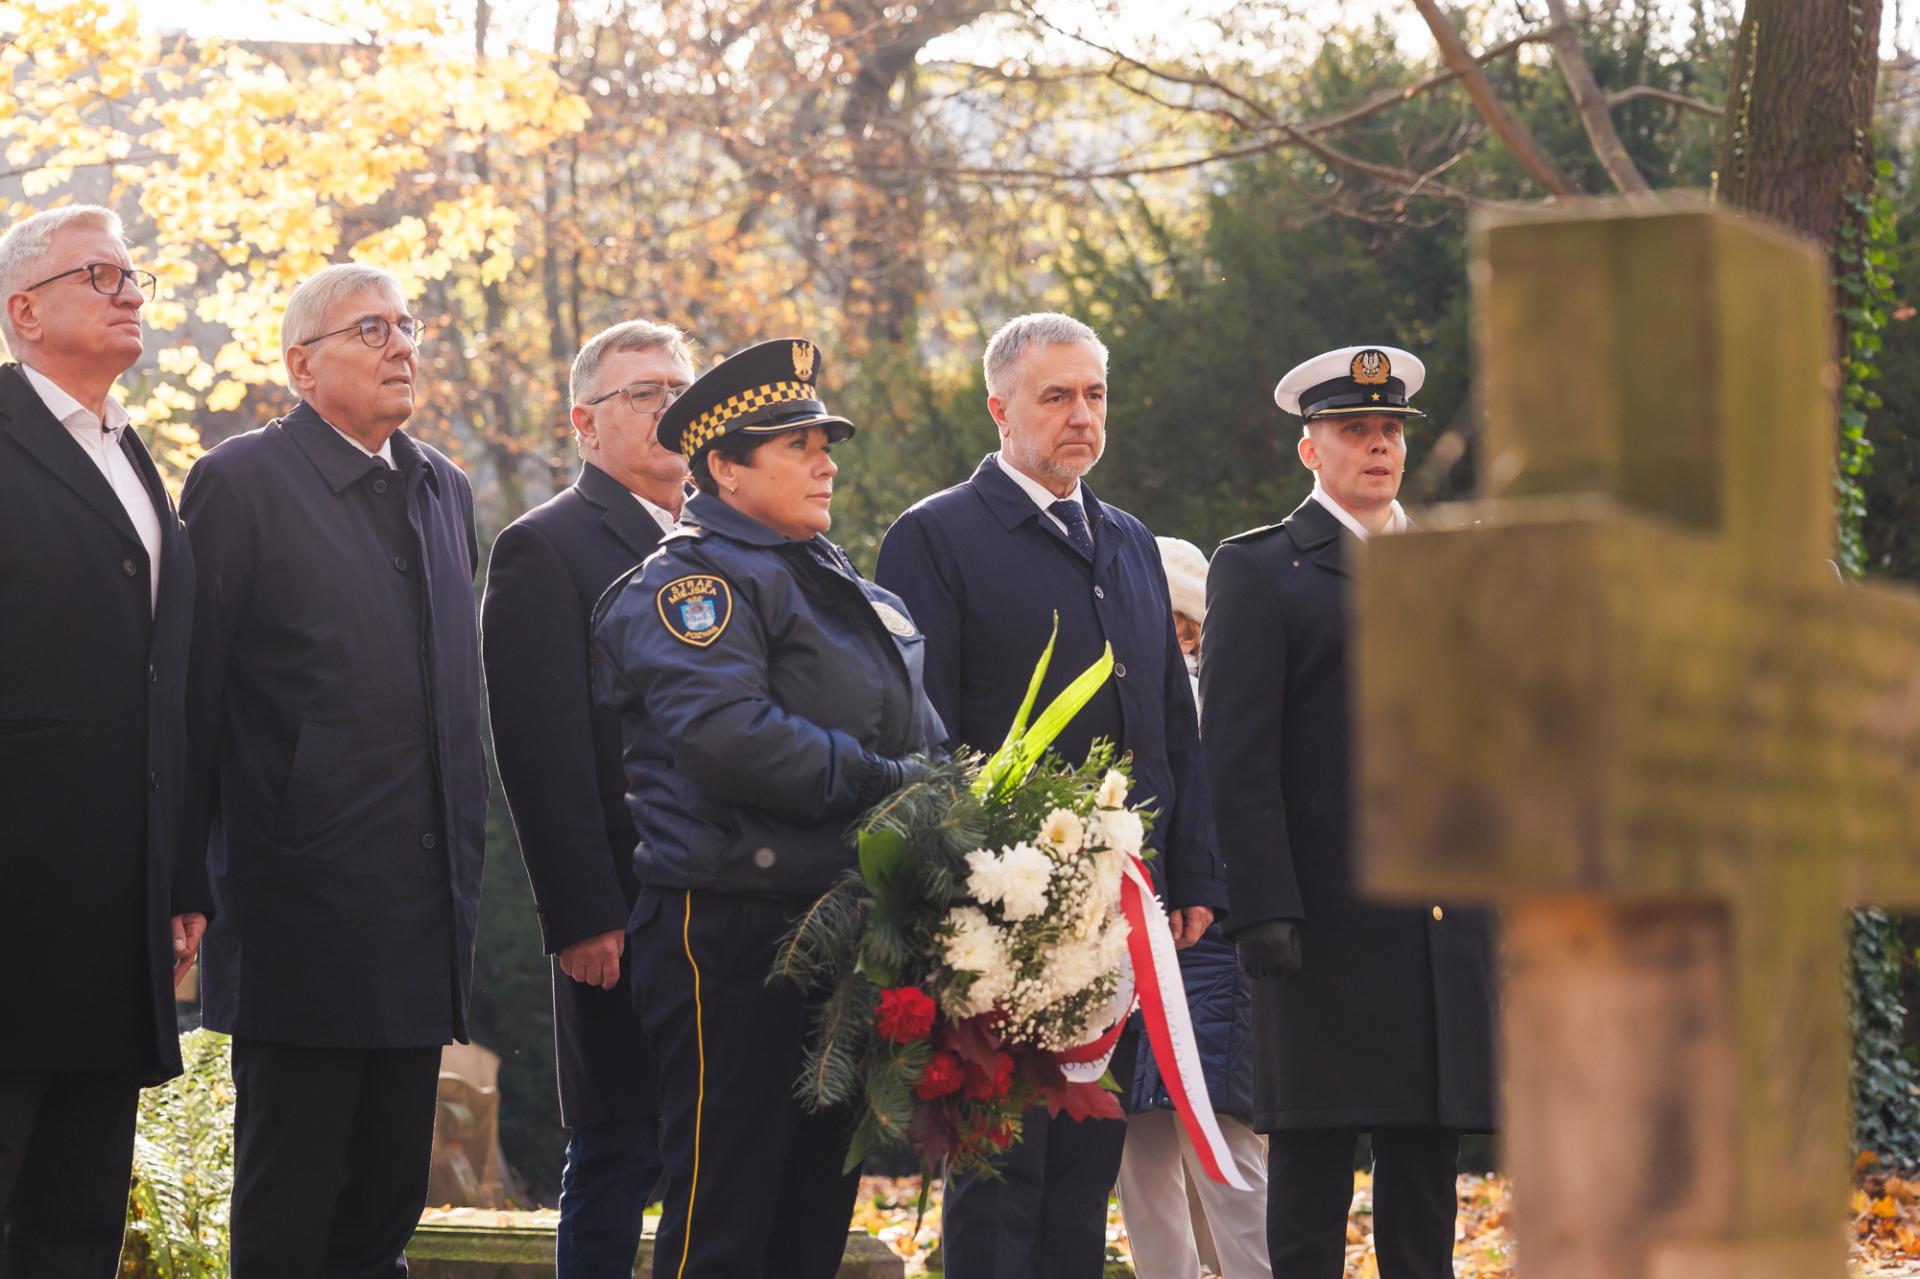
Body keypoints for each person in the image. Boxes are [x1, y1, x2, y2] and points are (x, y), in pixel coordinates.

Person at [874, 312, 1228, 1279]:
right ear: (999, 408)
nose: (1082, 416)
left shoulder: (1127, 541)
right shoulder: (933, 536)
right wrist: (954, 892)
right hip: (999, 917)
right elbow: (916, 731)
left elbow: (1169, 725)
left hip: (1121, 912)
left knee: (1084, 1167)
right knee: (1002, 1175)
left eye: (1095, 394)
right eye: (1056, 396)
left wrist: (1193, 868)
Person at [592, 337, 943, 1279]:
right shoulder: (691, 583)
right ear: (723, 466)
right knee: (725, 1223)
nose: (827, 459)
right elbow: (728, 735)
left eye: (827, 440)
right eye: (797, 443)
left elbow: (928, 740)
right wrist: (888, 783)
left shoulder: (838, 586)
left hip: (843, 927)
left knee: (808, 1229)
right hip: (732, 933)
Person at [180, 264, 488, 1279]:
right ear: (302, 365)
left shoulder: (442, 485)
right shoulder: (241, 482)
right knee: (292, 1206)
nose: (403, 344)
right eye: (373, 329)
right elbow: (194, 698)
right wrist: (185, 880)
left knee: (384, 1210)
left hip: (423, 909)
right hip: (299, 908)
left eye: (407, 325)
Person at [1202, 346, 1497, 1279]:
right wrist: (1263, 906)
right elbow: (1237, 757)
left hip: (1437, 913)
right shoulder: (1261, 568)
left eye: (1389, 431)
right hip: (1320, 916)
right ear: (1310, 450)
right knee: (1314, 1157)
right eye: (1353, 431)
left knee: (1423, 1160)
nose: (1377, 447)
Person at [0, 204, 208, 1277]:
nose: (131, 293)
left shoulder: (133, 453)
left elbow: (161, 683)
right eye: (102, 275)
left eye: (136, 276)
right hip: (17, 899)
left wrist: (178, 872)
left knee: (74, 1220)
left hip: (111, 905)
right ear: (23, 311)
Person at [482, 320, 694, 1278]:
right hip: (624, 906)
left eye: (680, 389)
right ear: (584, 423)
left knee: (714, 1154)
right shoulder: (545, 548)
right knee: (617, 1152)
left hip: (730, 905)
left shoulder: (731, 533)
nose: (669, 408)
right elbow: (543, 748)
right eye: (642, 393)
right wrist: (580, 912)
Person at [1114, 536, 1271, 1279]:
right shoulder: (1125, 696)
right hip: (1127, 942)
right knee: (1137, 1147)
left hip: (1205, 946)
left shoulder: (1221, 696)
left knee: (1224, 1142)